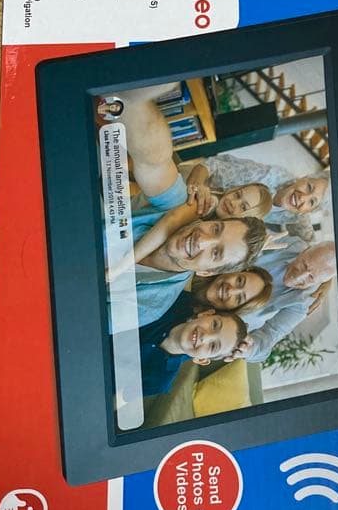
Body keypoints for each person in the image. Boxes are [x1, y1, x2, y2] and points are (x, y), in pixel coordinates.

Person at [104, 85, 269, 328]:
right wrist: (131, 101)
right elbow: (155, 160)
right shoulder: (186, 206)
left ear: (206, 273)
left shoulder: (150, 306)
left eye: (216, 253)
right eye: (215, 229)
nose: (202, 240)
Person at [113, 291, 249, 401]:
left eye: (213, 346)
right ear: (205, 314)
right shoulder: (175, 300)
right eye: (214, 325)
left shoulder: (160, 380)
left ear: (201, 360)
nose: (206, 336)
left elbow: (115, 400)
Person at [227, 241, 337, 364]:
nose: (299, 276)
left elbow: (271, 335)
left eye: (311, 277)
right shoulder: (289, 243)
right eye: (304, 265)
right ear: (305, 250)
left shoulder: (301, 305)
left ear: (319, 282)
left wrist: (250, 349)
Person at [181, 154, 330, 240]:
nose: (303, 198)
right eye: (309, 187)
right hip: (196, 187)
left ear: (309, 211)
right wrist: (198, 185)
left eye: (312, 202)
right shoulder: (263, 175)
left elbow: (309, 241)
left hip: (208, 216)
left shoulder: (297, 216)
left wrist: (326, 279)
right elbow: (211, 166)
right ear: (303, 178)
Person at [190, 268, 273, 314]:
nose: (230, 291)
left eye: (239, 298)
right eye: (239, 281)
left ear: (233, 310)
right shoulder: (192, 265)